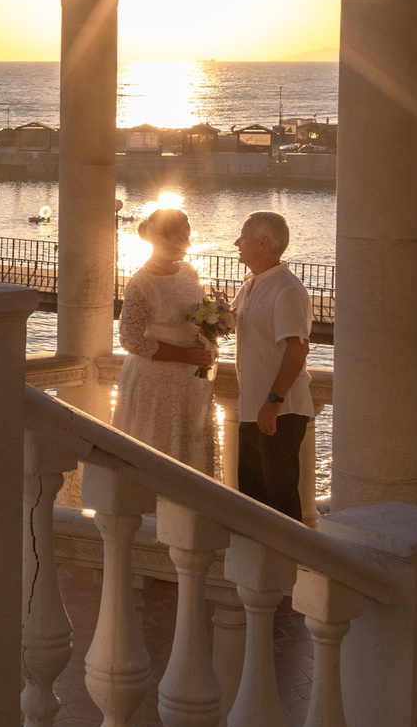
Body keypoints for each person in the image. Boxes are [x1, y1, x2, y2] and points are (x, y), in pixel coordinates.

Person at [112, 206, 215, 472]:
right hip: (154, 382)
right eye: (181, 237)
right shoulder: (140, 284)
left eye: (188, 236)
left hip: (191, 382)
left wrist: (208, 342)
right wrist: (185, 355)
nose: (188, 244)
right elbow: (130, 340)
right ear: (160, 239)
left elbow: (200, 317)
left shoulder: (188, 272)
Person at [233, 210, 313, 520]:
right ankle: (258, 567)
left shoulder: (287, 289)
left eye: (243, 237)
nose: (236, 242)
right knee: (252, 499)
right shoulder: (252, 282)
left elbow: (297, 350)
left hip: (279, 411)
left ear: (263, 243)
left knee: (280, 503)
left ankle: (287, 567)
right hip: (252, 407)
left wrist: (273, 401)